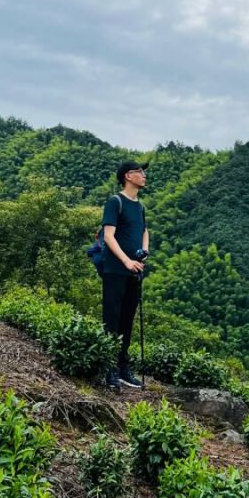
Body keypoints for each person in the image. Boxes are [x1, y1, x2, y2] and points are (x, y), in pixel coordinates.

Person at [99, 159, 149, 391]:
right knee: (112, 319)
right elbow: (109, 236)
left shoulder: (140, 206)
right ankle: (108, 369)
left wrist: (143, 253)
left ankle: (122, 368)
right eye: (139, 172)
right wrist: (126, 261)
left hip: (133, 272)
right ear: (127, 176)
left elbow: (144, 231)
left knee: (127, 321)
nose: (143, 175)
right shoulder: (115, 202)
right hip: (115, 271)